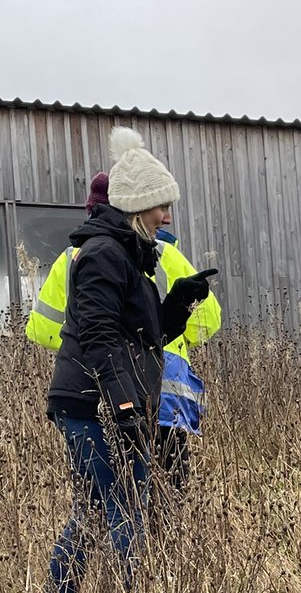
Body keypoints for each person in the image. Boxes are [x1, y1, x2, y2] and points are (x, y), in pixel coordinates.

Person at [45, 126, 216, 593]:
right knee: (114, 509)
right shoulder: (102, 254)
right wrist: (121, 401)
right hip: (92, 404)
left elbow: (141, 338)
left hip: (120, 401)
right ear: (138, 206)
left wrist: (179, 302)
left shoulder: (130, 257)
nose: (168, 214)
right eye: (161, 204)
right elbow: (97, 337)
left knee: (104, 510)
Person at [27, 173, 222, 498]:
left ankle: (134, 548)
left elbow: (42, 329)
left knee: (105, 504)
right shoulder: (161, 253)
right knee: (159, 498)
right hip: (154, 394)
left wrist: (81, 355)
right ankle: (155, 550)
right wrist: (167, 343)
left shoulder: (69, 258)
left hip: (100, 390)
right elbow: (210, 321)